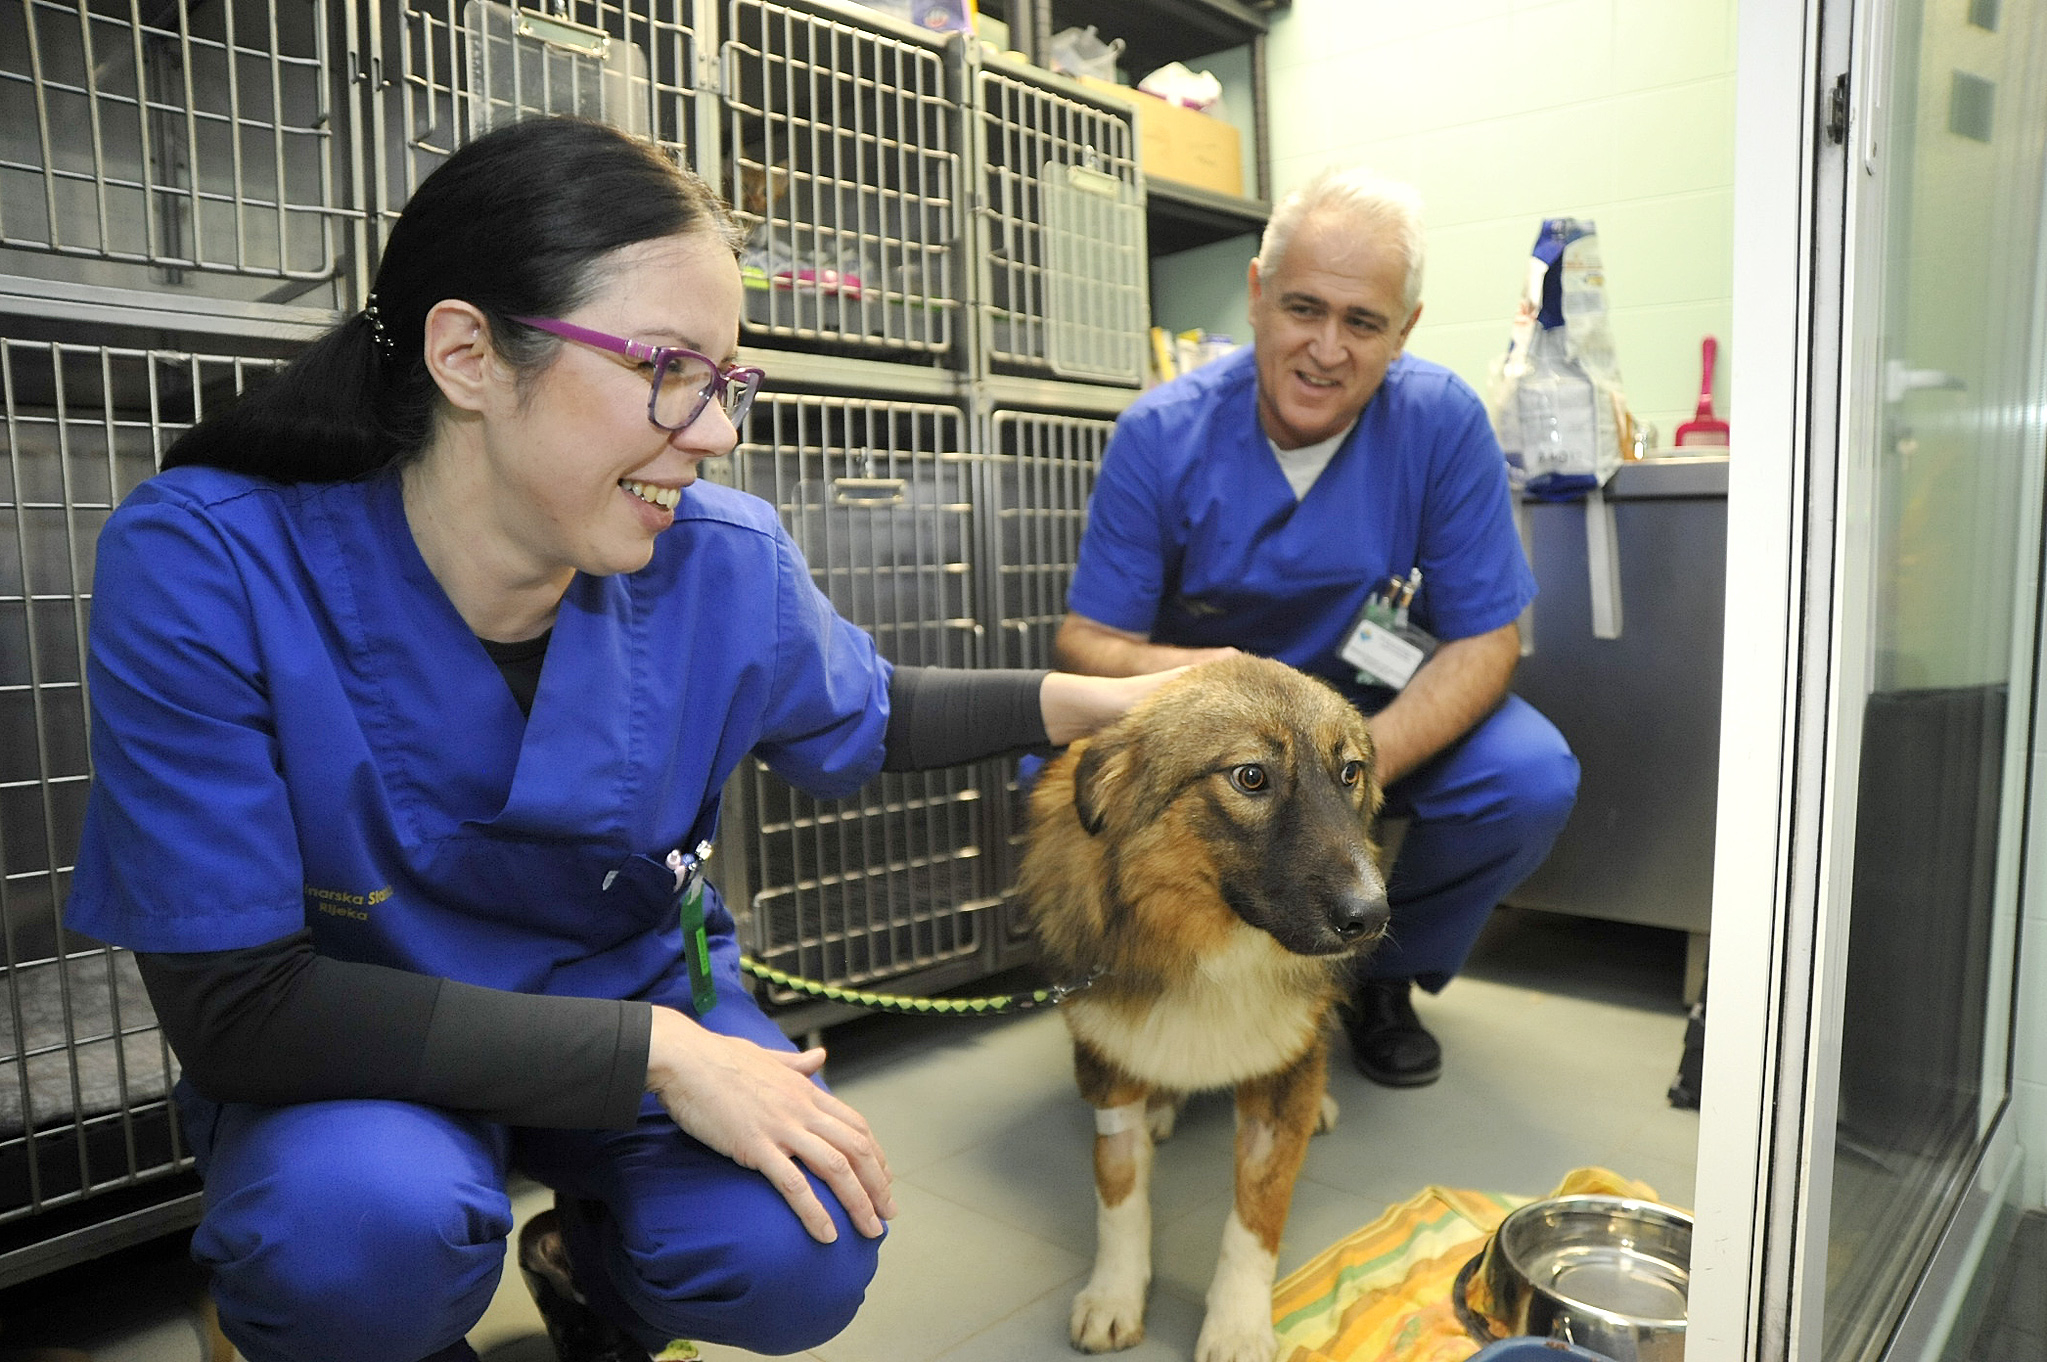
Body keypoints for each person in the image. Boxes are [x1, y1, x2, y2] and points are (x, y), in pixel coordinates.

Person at [65, 116, 1180, 1362]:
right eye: (668, 368)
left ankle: (587, 1277)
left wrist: (1115, 703)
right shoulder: (209, 562)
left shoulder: (720, 559)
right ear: (469, 354)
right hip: (359, 1043)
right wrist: (657, 1057)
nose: (715, 431)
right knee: (352, 1239)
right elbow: (235, 1009)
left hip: (620, 979)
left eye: (728, 381)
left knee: (800, 1239)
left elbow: (869, 709)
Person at [1053, 167, 1580, 1089]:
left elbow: (1485, 639)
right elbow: (1088, 642)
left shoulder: (1440, 423)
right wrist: (1206, 681)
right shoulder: (1159, 434)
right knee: (1054, 777)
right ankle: (1158, 988)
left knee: (1527, 778)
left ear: (1404, 330)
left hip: (1371, 727)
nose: (1326, 349)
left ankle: (1373, 977)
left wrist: (1346, 781)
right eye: (1303, 308)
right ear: (1256, 296)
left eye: (1363, 322)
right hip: (1210, 739)